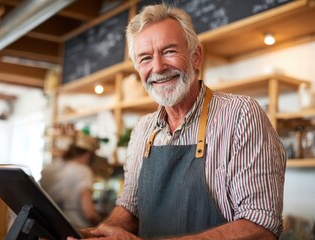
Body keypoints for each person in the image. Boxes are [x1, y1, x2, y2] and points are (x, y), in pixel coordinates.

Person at [69, 3, 287, 240]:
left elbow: (261, 226)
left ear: (196, 57)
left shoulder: (241, 115)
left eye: (169, 51)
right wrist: (100, 233)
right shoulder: (143, 129)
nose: (158, 67)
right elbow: (130, 209)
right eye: (145, 58)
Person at [40, 132, 101, 229]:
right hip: (76, 228)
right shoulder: (83, 171)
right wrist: (100, 222)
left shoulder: (50, 167)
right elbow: (89, 213)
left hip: (50, 227)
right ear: (88, 154)